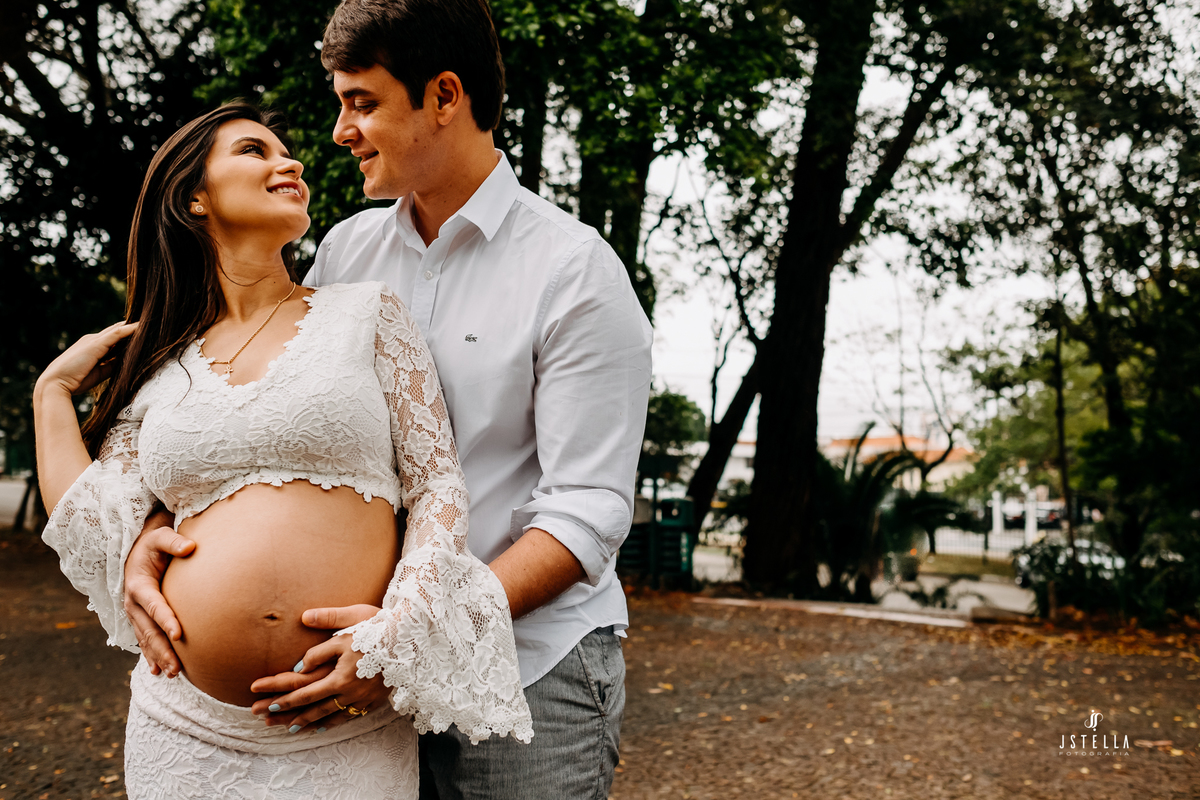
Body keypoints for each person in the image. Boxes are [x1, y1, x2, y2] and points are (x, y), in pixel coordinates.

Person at [123, 0, 654, 796]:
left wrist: (413, 638)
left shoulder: (574, 270)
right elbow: (263, 421)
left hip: (528, 671)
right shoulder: (346, 250)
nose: (340, 132)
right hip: (353, 699)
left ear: (444, 96)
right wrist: (150, 534)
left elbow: (588, 509)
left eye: (361, 103)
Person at [34, 101, 532, 799]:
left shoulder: (368, 313)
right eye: (254, 150)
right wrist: (52, 392)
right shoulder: (159, 364)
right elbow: (95, 523)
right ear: (195, 198)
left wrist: (399, 633)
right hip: (182, 722)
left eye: (284, 151)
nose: (288, 161)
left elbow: (436, 485)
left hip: (346, 719)